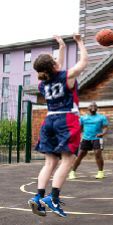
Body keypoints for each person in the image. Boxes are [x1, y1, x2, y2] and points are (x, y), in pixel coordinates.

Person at [27, 34, 88, 217]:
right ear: (53, 66)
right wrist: (79, 42)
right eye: (54, 60)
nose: (57, 61)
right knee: (67, 160)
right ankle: (53, 199)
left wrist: (62, 46)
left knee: (50, 161)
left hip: (49, 121)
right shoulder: (66, 77)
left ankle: (39, 197)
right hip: (66, 120)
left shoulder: (42, 84)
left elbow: (56, 67)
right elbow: (84, 62)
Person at [68, 102, 108, 179]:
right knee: (80, 154)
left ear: (97, 108)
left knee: (97, 153)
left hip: (97, 138)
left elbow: (105, 127)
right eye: (91, 105)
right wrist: (77, 136)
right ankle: (72, 172)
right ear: (88, 108)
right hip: (86, 138)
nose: (93, 107)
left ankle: (100, 172)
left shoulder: (101, 117)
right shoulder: (83, 118)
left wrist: (103, 133)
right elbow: (79, 128)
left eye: (95, 106)